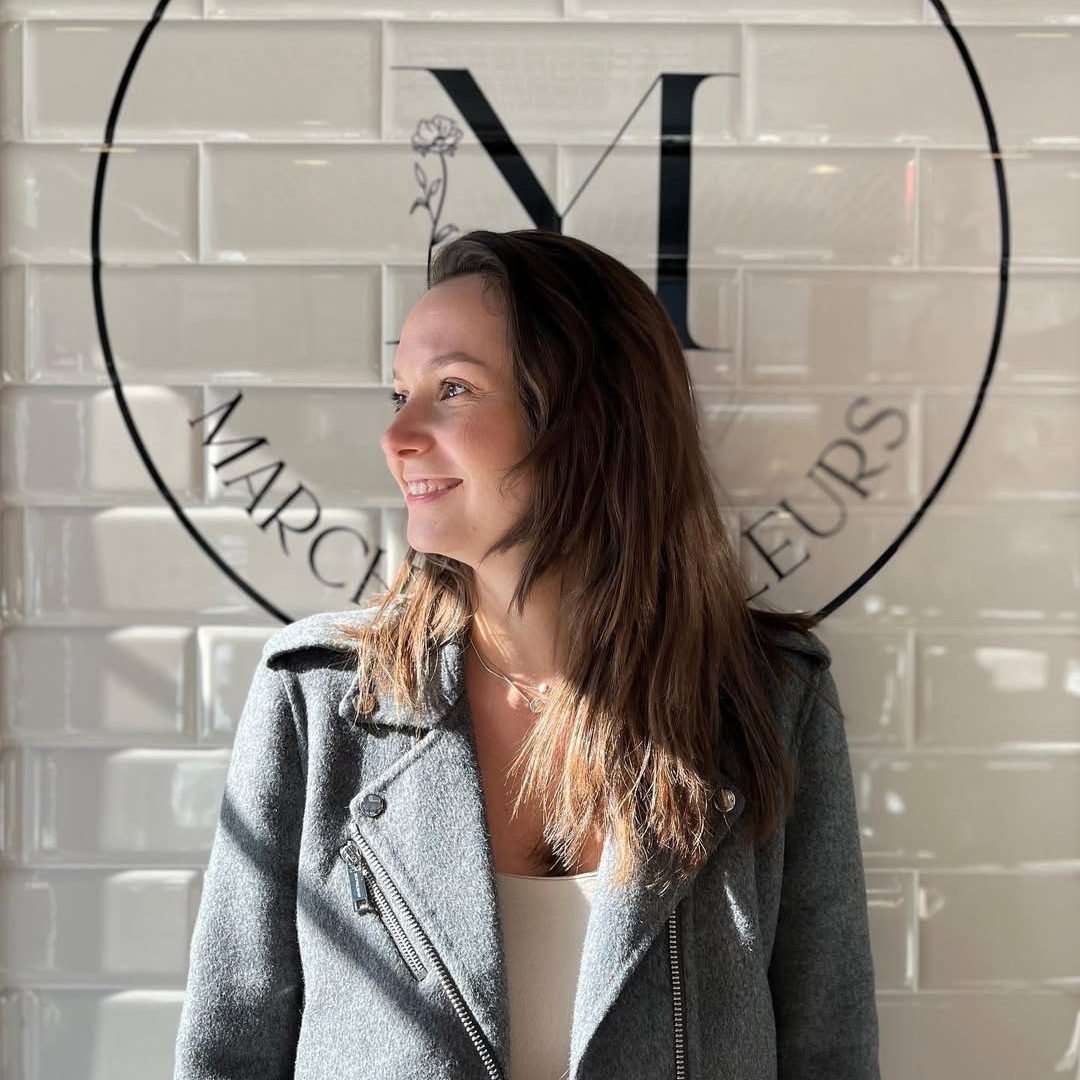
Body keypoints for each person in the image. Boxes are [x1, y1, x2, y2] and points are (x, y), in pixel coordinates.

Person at [173, 228, 881, 1080]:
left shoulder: (768, 701)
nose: (398, 435)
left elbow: (829, 1053)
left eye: (454, 390)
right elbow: (228, 1056)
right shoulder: (321, 702)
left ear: (588, 420)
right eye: (400, 393)